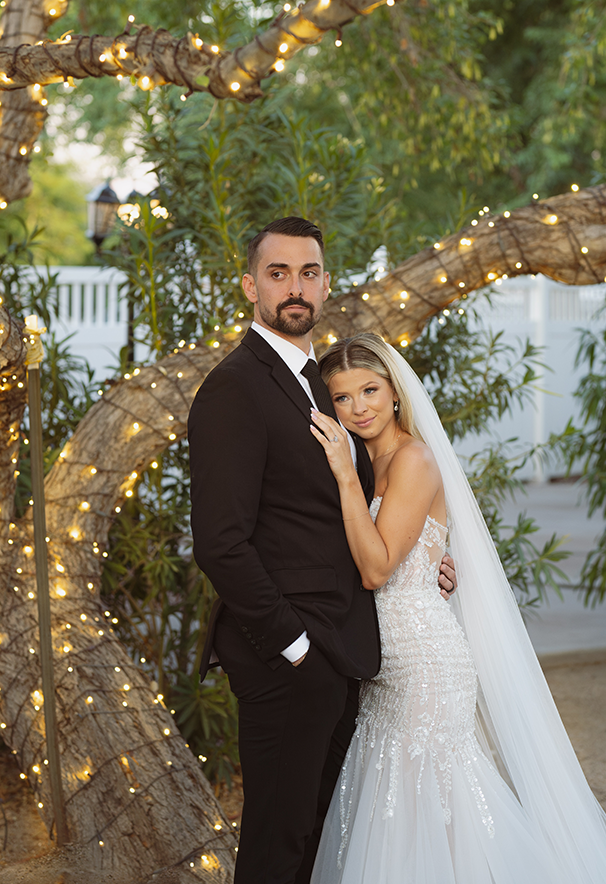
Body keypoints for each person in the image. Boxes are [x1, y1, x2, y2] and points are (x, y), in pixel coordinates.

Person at [306, 332, 606, 884]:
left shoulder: (411, 459)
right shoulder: (366, 463)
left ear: (395, 392)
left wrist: (345, 475)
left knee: (438, 806)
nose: (358, 408)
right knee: (392, 805)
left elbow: (376, 568)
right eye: (341, 398)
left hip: (423, 663)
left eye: (369, 390)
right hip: (380, 665)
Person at [189, 217, 457, 884]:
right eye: (278, 273)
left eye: (308, 272)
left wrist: (425, 557)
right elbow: (221, 543)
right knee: (278, 843)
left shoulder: (319, 384)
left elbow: (331, 512)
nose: (295, 287)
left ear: (326, 283)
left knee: (313, 840)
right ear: (250, 285)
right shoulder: (236, 387)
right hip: (288, 655)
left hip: (341, 651)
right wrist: (296, 648)